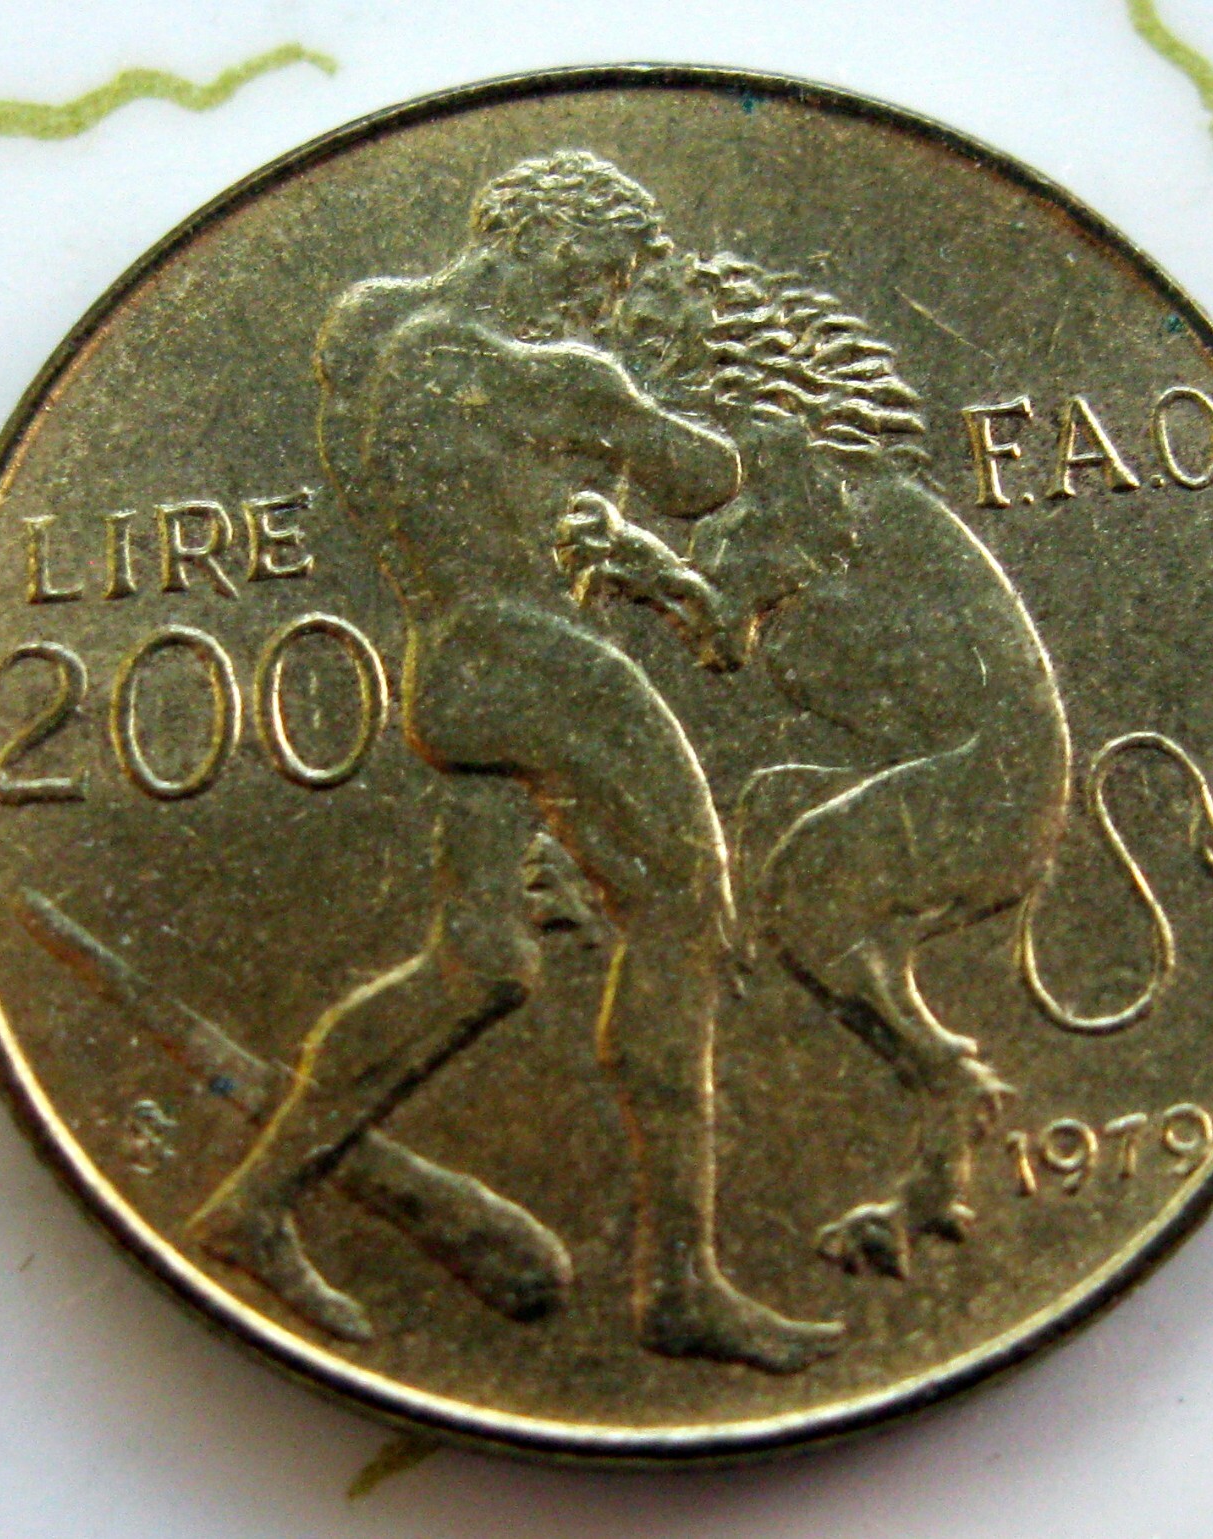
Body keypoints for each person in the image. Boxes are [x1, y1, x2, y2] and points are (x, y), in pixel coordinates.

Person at [189, 152, 842, 1372]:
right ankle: (679, 1284)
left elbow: (493, 492)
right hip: (543, 666)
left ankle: (254, 1203)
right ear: (539, 237)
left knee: (478, 961)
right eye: (600, 273)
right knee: (685, 917)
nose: (604, 298)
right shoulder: (533, 372)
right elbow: (705, 475)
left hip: (450, 664)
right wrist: (656, 380)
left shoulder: (370, 338)